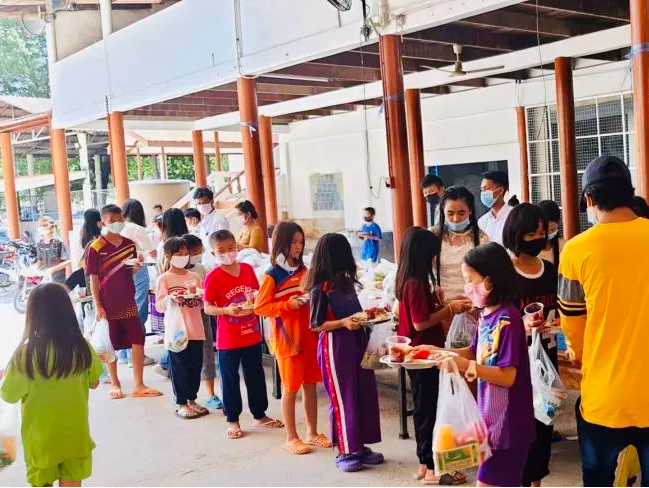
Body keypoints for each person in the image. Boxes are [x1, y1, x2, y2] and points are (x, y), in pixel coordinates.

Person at [558, 155, 649, 485]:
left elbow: (572, 325)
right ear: (630, 193)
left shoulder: (575, 250)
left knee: (598, 479)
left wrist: (579, 355)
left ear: (589, 199)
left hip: (604, 397)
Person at [418, 242, 535, 486]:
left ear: (489, 282)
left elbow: (507, 376)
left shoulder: (507, 319)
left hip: (508, 424)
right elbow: (473, 352)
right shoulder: (487, 315)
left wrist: (463, 365)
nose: (467, 287)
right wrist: (436, 352)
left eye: (470, 280)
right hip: (490, 418)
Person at [0, 283, 103, 487]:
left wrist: (8, 372)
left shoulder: (25, 355)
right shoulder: (82, 347)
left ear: (32, 315)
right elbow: (94, 382)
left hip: (41, 439)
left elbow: (9, 395)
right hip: (75, 434)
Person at [395, 227, 471, 485]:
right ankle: (431, 468)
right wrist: (449, 309)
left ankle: (424, 463)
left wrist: (441, 303)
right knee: (428, 410)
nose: (435, 258)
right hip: (423, 354)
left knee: (424, 408)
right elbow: (420, 323)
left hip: (419, 353)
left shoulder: (409, 279)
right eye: (433, 253)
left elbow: (422, 313)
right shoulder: (415, 283)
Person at [305, 233, 383, 473]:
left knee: (363, 393)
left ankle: (359, 446)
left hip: (357, 342)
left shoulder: (345, 282)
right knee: (343, 397)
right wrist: (343, 323)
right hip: (336, 346)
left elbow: (355, 313)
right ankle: (344, 450)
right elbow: (316, 325)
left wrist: (370, 314)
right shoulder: (321, 288)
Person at [254, 221, 330, 455]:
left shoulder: (304, 271)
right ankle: (291, 437)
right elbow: (260, 307)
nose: (298, 246)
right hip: (287, 341)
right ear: (281, 243)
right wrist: (288, 304)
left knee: (310, 385)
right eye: (293, 242)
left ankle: (312, 433)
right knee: (290, 388)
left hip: (309, 338)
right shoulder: (272, 275)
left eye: (301, 242)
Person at [204, 230, 282, 439]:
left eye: (231, 248)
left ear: (237, 247)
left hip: (251, 333)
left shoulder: (247, 269)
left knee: (255, 375)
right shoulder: (213, 277)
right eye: (221, 251)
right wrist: (226, 310)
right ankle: (233, 420)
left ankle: (260, 415)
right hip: (229, 338)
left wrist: (255, 298)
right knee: (230, 379)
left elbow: (257, 295)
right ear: (213, 253)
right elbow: (208, 307)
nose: (227, 253)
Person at [503, 203, 558, 487]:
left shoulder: (549, 269)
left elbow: (560, 309)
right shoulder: (505, 273)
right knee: (520, 423)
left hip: (547, 352)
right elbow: (497, 320)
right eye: (531, 234)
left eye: (542, 233)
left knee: (544, 421)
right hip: (517, 358)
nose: (538, 239)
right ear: (516, 234)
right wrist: (521, 326)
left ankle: (536, 481)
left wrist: (557, 323)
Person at [86, 204, 162, 400]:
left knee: (137, 339)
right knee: (109, 342)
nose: (117, 223)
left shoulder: (129, 244)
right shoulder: (96, 247)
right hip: (107, 303)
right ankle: (115, 382)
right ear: (102, 223)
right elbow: (93, 278)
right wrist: (98, 304)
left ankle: (139, 383)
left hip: (128, 300)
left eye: (120, 219)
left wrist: (136, 268)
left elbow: (130, 270)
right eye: (112, 220)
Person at [155, 237, 209, 419]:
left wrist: (200, 298)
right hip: (176, 332)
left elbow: (201, 304)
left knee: (195, 366)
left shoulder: (194, 277)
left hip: (196, 329)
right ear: (169, 256)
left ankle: (192, 400)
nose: (183, 257)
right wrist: (171, 299)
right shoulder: (164, 279)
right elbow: (159, 306)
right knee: (179, 367)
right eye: (179, 254)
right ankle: (181, 403)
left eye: (186, 254)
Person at [184, 233, 222, 410]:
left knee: (207, 352)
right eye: (194, 252)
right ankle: (184, 395)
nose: (197, 255)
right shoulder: (172, 272)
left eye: (199, 252)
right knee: (183, 354)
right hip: (183, 318)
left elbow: (208, 291)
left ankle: (210, 393)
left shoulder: (201, 269)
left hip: (202, 314)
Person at [119, 198, 156, 367]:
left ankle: (124, 353)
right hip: (138, 270)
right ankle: (136, 355)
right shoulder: (137, 229)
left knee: (125, 310)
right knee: (138, 312)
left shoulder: (120, 228)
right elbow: (152, 252)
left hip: (121, 271)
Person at [435, 186, 489, 300]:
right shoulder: (433, 236)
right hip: (441, 303)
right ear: (443, 211)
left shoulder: (482, 238)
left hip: (473, 303)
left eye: (461, 213)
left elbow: (487, 275)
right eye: (450, 214)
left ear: (470, 211)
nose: (456, 219)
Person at [65, 209, 102, 292]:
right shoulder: (100, 238)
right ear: (98, 221)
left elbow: (78, 259)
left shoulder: (82, 235)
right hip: (96, 273)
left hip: (84, 272)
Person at [478, 170, 517, 245]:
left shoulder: (514, 216)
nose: (483, 193)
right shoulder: (482, 221)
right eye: (482, 189)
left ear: (501, 190)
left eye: (486, 189)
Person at [194, 187, 229, 255]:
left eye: (204, 203)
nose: (202, 206)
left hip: (218, 255)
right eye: (199, 203)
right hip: (208, 255)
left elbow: (223, 242)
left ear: (212, 201)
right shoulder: (205, 218)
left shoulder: (219, 219)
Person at [36, 215, 69, 284]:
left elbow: (67, 261)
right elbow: (40, 260)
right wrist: (36, 269)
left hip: (59, 280)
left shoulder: (58, 242)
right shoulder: (39, 243)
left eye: (42, 226)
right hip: (46, 278)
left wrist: (52, 269)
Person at [538, 200, 564, 266]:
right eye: (545, 230)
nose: (548, 233)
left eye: (552, 230)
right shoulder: (529, 248)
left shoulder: (564, 246)